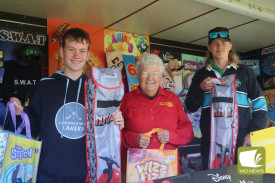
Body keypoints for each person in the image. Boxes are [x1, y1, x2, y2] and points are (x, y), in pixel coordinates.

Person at [10, 28, 124, 183]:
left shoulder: (98, 90)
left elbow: (105, 133)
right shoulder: (44, 87)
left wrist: (116, 122)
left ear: (88, 55)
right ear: (62, 52)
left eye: (82, 51)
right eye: (71, 49)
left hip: (88, 176)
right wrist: (20, 113)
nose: (77, 56)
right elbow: (32, 128)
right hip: (48, 175)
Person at [184, 27, 267, 170]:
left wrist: (253, 134)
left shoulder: (245, 72)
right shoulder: (200, 75)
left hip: (244, 141)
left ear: (230, 46)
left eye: (223, 42)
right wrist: (200, 89)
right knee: (214, 180)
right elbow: (189, 107)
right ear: (209, 48)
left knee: (250, 178)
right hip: (211, 145)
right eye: (215, 43)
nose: (219, 46)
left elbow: (260, 105)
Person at [118, 53, 194, 178]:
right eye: (145, 74)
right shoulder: (126, 100)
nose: (150, 78)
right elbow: (115, 134)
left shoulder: (173, 100)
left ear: (161, 76)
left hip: (167, 170)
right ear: (137, 76)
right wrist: (134, 139)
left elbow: (188, 131)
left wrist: (171, 136)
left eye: (155, 74)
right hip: (136, 172)